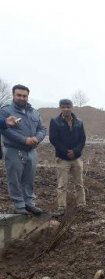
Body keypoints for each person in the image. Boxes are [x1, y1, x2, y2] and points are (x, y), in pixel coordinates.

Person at [0, 84, 46, 215]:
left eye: (24, 96)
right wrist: (24, 140)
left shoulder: (34, 112)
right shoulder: (5, 111)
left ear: (28, 96)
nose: (22, 98)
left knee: (29, 179)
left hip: (31, 151)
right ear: (13, 95)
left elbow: (42, 129)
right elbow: (4, 129)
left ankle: (29, 203)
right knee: (14, 178)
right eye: (19, 95)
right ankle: (18, 205)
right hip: (14, 150)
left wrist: (37, 138)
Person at [49, 99, 87, 216]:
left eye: (68, 106)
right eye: (63, 107)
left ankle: (82, 204)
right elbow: (53, 139)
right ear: (60, 107)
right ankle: (61, 208)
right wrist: (65, 151)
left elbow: (82, 139)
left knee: (79, 183)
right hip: (62, 158)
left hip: (76, 158)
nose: (66, 109)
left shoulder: (79, 122)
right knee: (62, 184)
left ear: (72, 107)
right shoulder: (55, 122)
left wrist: (76, 151)